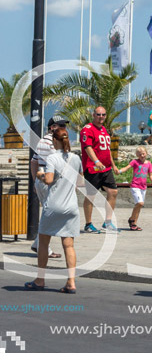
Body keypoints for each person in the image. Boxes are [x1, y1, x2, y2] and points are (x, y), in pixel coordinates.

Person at [26, 120, 81, 293]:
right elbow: (79, 181)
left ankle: (40, 279)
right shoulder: (76, 158)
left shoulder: (52, 158)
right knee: (69, 245)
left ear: (54, 141)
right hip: (71, 206)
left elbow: (49, 180)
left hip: (54, 205)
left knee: (43, 242)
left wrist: (41, 176)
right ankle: (71, 282)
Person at [30, 115, 68, 258]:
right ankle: (43, 247)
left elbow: (34, 162)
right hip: (49, 181)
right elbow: (59, 164)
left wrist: (35, 181)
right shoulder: (52, 143)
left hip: (42, 179)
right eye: (61, 126)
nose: (64, 128)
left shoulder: (42, 141)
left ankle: (38, 243)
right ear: (52, 128)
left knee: (48, 213)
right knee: (50, 215)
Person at [80, 106, 118, 233]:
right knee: (91, 196)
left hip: (106, 168)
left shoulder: (104, 130)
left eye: (103, 114)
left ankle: (107, 222)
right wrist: (96, 161)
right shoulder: (87, 129)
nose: (101, 117)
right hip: (93, 168)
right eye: (98, 114)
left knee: (113, 192)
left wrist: (113, 165)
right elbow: (88, 147)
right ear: (93, 115)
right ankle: (88, 224)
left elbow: (106, 150)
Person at [114, 148, 152, 231]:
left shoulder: (149, 164)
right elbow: (127, 167)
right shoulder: (135, 162)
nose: (142, 155)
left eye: (143, 153)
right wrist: (119, 171)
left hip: (143, 187)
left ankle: (134, 224)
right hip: (135, 186)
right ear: (137, 155)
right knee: (140, 203)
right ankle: (131, 219)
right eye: (139, 154)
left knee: (139, 206)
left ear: (146, 153)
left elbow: (150, 174)